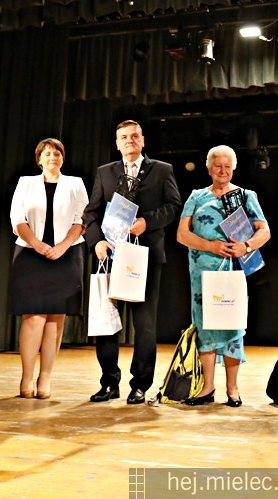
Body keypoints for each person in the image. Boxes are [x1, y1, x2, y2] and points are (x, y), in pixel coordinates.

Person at [85, 120, 182, 405]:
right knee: (107, 322)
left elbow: (173, 206)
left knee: (145, 324)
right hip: (110, 256)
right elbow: (91, 213)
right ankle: (109, 382)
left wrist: (146, 222)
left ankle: (140, 384)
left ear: (143, 140)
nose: (129, 140)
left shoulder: (162, 170)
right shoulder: (105, 172)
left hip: (145, 257)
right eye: (124, 137)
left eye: (134, 136)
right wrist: (96, 242)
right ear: (117, 144)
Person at [176, 145, 271, 407]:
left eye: (227, 166)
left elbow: (264, 231)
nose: (223, 170)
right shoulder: (196, 196)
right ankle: (207, 388)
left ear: (233, 169)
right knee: (205, 326)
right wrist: (210, 246)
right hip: (202, 274)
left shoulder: (246, 196)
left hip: (232, 272)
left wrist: (246, 246)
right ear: (209, 168)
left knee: (232, 325)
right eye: (218, 165)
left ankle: (233, 388)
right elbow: (182, 234)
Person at [9, 138, 88, 400]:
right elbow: (17, 218)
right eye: (47, 154)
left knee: (55, 318)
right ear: (39, 159)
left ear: (62, 158)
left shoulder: (75, 184)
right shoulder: (25, 183)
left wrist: (62, 246)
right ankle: (26, 376)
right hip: (30, 253)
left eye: (57, 153)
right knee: (33, 317)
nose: (52, 157)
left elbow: (81, 219)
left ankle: (45, 377)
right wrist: (37, 244)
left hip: (66, 254)